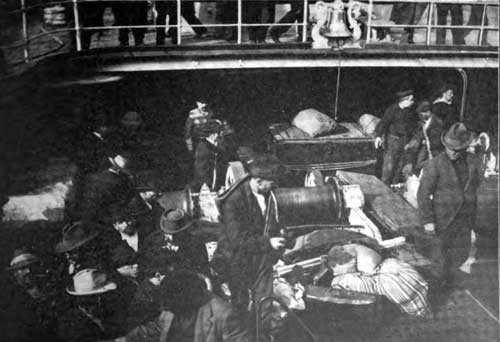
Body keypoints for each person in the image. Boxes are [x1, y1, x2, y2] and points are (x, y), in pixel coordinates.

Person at [212, 154, 286, 325]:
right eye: (272, 183)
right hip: (237, 259)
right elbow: (237, 240)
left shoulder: (268, 195)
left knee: (265, 302)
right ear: (259, 180)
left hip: (260, 257)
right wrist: (268, 242)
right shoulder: (233, 202)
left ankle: (263, 334)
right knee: (240, 303)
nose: (274, 187)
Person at [417, 123, 483, 290]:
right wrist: (427, 220)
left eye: (457, 149)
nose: (453, 152)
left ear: (464, 147)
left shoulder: (472, 162)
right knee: (440, 256)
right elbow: (423, 194)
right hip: (442, 218)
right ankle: (438, 287)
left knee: (460, 252)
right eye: (450, 148)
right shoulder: (435, 165)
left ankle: (450, 279)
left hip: (464, 217)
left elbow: (475, 187)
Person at [124, 269, 250, 342]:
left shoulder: (224, 314)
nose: (166, 310)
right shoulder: (172, 307)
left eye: (172, 307)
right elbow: (153, 330)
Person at [1, 249, 61, 342]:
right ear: (14, 275)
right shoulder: (13, 304)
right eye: (22, 268)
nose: (28, 271)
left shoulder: (54, 291)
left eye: (32, 266)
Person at [58, 269, 126, 342]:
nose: (100, 300)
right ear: (81, 299)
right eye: (94, 297)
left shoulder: (105, 314)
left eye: (102, 296)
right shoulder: (70, 322)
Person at [76, 153, 142, 224]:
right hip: (107, 212)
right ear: (119, 170)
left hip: (97, 210)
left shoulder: (99, 176)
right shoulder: (117, 180)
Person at [142, 208, 210, 276]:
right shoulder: (153, 240)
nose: (171, 236)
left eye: (176, 233)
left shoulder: (195, 242)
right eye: (168, 233)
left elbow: (202, 267)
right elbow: (146, 263)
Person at [374, 87, 417, 185]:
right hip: (393, 141)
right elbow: (384, 123)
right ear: (404, 100)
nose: (413, 102)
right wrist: (378, 136)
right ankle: (384, 186)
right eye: (411, 100)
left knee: (400, 165)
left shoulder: (409, 112)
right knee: (389, 166)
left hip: (404, 141)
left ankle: (394, 186)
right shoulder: (392, 110)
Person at [402, 100, 445, 177]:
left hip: (433, 152)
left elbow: (438, 141)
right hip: (422, 150)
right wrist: (412, 143)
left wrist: (425, 141)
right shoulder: (421, 122)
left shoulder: (438, 123)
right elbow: (417, 135)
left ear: (428, 112)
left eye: (421, 113)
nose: (419, 115)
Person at [191, 119, 229, 192]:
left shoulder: (218, 146)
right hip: (205, 189)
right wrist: (209, 188)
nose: (221, 135)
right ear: (212, 134)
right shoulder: (203, 148)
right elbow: (201, 171)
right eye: (219, 132)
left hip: (218, 186)